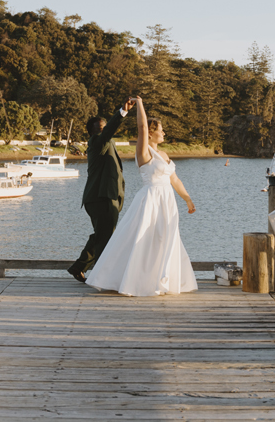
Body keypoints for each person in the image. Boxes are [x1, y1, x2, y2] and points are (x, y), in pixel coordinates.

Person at [84, 97, 198, 297]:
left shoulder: (164, 154)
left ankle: (163, 280)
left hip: (167, 201)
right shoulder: (144, 152)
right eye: (160, 129)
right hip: (151, 199)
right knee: (141, 239)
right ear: (152, 132)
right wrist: (140, 103)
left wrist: (187, 198)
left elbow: (175, 179)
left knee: (167, 238)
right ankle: (132, 280)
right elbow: (142, 127)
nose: (163, 133)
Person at [67, 97, 135, 282]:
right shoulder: (97, 142)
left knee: (102, 235)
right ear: (93, 133)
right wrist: (122, 111)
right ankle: (104, 276)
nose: (104, 131)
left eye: (104, 128)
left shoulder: (106, 143)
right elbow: (108, 132)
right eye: (100, 128)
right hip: (100, 198)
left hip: (104, 197)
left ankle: (79, 266)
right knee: (106, 238)